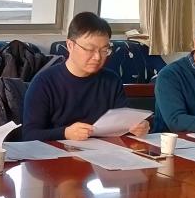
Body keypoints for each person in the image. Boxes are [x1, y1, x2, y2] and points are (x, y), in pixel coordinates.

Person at [22, 12, 151, 142]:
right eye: (90, 49)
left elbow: (124, 122)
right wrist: (65, 133)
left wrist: (138, 127)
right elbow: (29, 135)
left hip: (104, 150)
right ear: (70, 45)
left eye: (104, 50)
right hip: (56, 152)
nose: (97, 57)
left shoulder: (111, 80)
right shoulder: (44, 82)